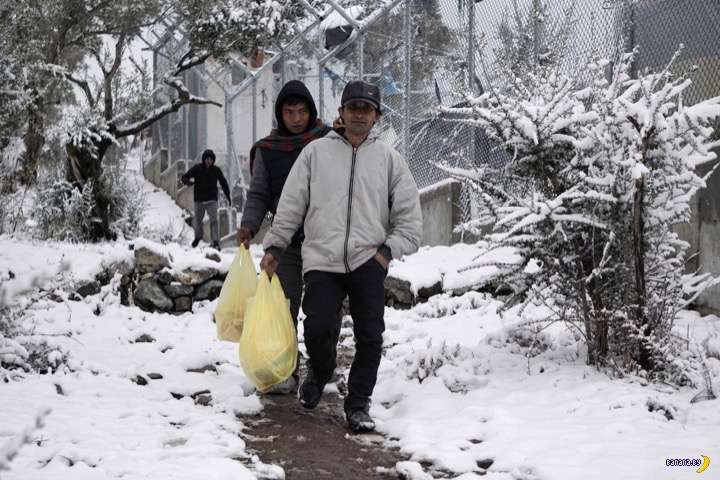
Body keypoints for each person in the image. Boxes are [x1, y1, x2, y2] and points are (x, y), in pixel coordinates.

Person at [259, 80, 423, 432]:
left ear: (377, 116)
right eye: (354, 108)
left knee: (370, 336)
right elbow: (290, 205)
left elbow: (410, 220)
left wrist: (385, 254)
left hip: (368, 261)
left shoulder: (390, 160)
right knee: (316, 326)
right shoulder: (316, 153)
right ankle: (320, 369)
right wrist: (275, 245)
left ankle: (358, 404)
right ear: (341, 113)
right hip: (321, 259)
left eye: (367, 109)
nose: (359, 115)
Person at [236, 79, 334, 395]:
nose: (295, 118)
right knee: (286, 304)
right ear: (280, 114)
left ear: (311, 112)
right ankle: (287, 368)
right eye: (289, 112)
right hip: (287, 243)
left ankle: (323, 365)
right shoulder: (268, 150)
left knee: (325, 307)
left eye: (302, 111)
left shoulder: (328, 141)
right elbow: (259, 193)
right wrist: (249, 226)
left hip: (324, 241)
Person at [181, 149, 232, 250]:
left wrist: (228, 196)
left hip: (211, 200)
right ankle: (197, 237)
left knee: (214, 221)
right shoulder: (197, 169)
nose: (209, 161)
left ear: (213, 160)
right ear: (204, 159)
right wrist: (188, 182)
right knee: (198, 221)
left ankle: (215, 241)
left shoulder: (216, 170)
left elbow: (223, 183)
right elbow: (184, 177)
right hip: (199, 200)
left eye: (211, 159)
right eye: (207, 159)